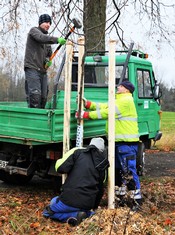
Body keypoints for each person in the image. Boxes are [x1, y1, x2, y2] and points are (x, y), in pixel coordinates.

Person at [75, 80, 142, 211]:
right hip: (118, 143)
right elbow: (104, 106)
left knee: (128, 172)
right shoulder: (119, 100)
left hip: (126, 144)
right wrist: (89, 104)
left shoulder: (126, 101)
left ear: (127, 90)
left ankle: (136, 202)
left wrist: (86, 115)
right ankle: (120, 199)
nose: (118, 87)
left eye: (121, 86)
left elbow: (107, 112)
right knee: (118, 172)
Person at [43, 137, 109, 226]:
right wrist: (94, 206)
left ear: (90, 145)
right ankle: (87, 215)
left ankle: (74, 215)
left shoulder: (78, 152)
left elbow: (60, 168)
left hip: (68, 200)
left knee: (48, 211)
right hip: (87, 204)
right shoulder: (103, 164)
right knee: (82, 210)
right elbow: (100, 190)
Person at [24, 14, 66, 108]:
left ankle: (40, 119)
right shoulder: (34, 31)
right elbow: (41, 38)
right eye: (46, 22)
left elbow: (48, 54)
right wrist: (57, 40)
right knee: (35, 96)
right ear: (40, 23)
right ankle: (33, 120)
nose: (48, 25)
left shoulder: (47, 43)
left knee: (43, 97)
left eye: (49, 23)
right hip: (32, 68)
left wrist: (47, 61)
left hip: (42, 71)